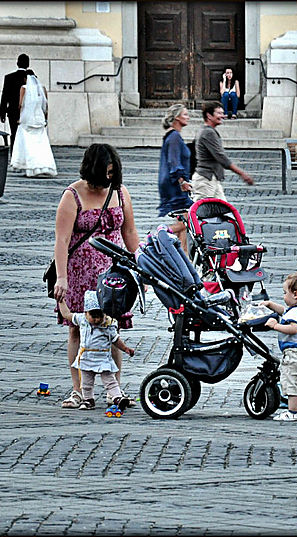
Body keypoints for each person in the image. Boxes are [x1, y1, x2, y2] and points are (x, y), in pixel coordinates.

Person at [52, 144, 140, 409]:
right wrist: (61, 277)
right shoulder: (73, 195)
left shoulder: (120, 193)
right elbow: (62, 240)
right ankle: (79, 390)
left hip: (114, 273)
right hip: (80, 272)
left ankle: (114, 390)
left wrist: (141, 266)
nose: (110, 178)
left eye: (114, 172)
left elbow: (130, 233)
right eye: (106, 172)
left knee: (113, 327)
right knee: (78, 329)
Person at [58, 290, 135, 412]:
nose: (97, 319)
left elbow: (116, 339)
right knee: (86, 383)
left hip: (103, 359)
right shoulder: (81, 319)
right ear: (86, 313)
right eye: (93, 316)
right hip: (86, 358)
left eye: (100, 316)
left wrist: (125, 348)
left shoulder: (108, 325)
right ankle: (88, 400)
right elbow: (67, 314)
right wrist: (61, 301)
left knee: (110, 380)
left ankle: (117, 398)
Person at [263, 271, 297, 422]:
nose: (283, 296)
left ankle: (292, 412)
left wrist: (276, 326)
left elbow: (293, 328)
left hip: (294, 354)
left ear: (295, 294)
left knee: (292, 383)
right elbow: (284, 311)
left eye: (285, 292)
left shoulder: (296, 314)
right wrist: (270, 305)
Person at [192, 101, 254, 202]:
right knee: (199, 213)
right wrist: (242, 174)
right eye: (219, 113)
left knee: (224, 212)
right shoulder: (208, 132)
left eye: (222, 113)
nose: (223, 116)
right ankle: (180, 217)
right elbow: (222, 158)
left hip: (212, 179)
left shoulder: (208, 131)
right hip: (205, 181)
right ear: (209, 115)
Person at [157, 103, 193, 252]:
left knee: (183, 222)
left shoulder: (174, 136)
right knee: (188, 221)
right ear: (177, 117)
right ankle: (160, 234)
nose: (188, 117)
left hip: (172, 184)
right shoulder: (174, 137)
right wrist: (182, 181)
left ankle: (183, 257)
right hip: (175, 186)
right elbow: (173, 161)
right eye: (185, 114)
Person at [9, 72, 57, 177]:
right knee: (41, 144)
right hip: (39, 118)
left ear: (26, 79)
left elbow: (20, 104)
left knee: (28, 144)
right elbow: (46, 106)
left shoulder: (24, 88)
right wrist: (46, 119)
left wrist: (19, 117)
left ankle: (29, 166)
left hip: (27, 120)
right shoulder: (42, 89)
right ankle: (46, 165)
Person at [0, 54, 30, 144]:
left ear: (17, 63)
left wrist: (2, 112)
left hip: (13, 111)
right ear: (28, 64)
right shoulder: (31, 78)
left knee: (14, 133)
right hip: (27, 110)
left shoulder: (9, 77)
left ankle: (14, 154)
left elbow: (5, 96)